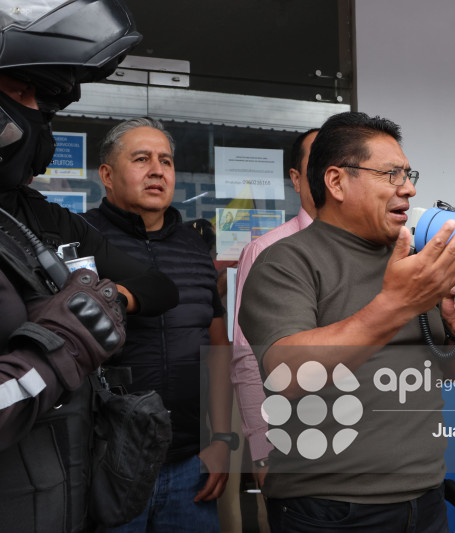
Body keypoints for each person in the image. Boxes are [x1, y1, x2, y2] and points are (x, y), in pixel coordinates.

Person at [238, 111, 455, 532]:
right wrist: (397, 303)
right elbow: (289, 374)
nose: (408, 189)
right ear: (336, 182)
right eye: (391, 174)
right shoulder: (285, 261)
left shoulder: (413, 260)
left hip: (426, 497)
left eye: (409, 175)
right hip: (330, 508)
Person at [0, 2, 180, 532]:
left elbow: (157, 286)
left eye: (43, 100)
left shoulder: (29, 218)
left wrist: (106, 301)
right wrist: (67, 338)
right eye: (21, 91)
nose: (36, 113)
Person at [83, 117, 234, 533]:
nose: (157, 170)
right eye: (142, 159)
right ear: (107, 176)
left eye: (166, 160)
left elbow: (218, 347)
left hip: (190, 464)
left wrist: (221, 440)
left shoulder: (194, 248)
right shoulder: (81, 239)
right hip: (105, 462)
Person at [231, 127, 318, 484]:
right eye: (320, 160)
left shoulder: (386, 247)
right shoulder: (266, 251)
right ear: (296, 179)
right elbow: (247, 358)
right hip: (293, 454)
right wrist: (263, 451)